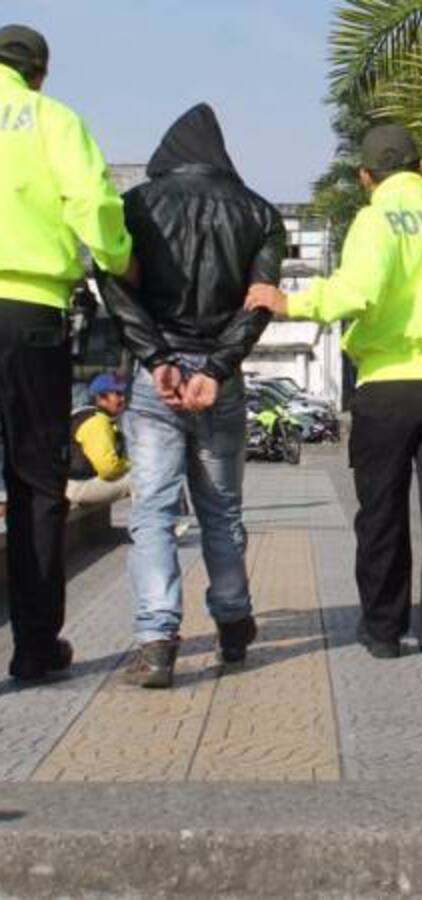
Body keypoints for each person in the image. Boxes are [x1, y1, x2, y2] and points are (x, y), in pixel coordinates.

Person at [245, 124, 422, 684]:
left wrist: (287, 301)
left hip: (387, 385)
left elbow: (354, 291)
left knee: (382, 512)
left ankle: (385, 630)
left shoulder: (376, 218)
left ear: (366, 177)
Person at [100, 103, 285, 689]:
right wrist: (220, 367)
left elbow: (112, 282)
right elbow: (260, 299)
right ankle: (232, 623)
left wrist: (157, 359)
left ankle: (156, 642)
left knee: (153, 512)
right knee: (222, 510)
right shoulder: (258, 212)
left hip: (159, 381)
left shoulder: (136, 206)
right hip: (220, 381)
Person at [0, 25, 136, 682]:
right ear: (40, 74)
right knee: (35, 483)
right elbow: (94, 202)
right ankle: (34, 649)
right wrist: (118, 259)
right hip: (30, 316)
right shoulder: (52, 120)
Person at [66, 373, 132, 506]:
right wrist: (131, 465)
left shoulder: (80, 415)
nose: (123, 399)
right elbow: (108, 470)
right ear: (100, 397)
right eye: (117, 394)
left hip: (69, 484)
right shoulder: (96, 421)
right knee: (144, 478)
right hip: (79, 487)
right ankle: (149, 525)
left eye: (124, 393)